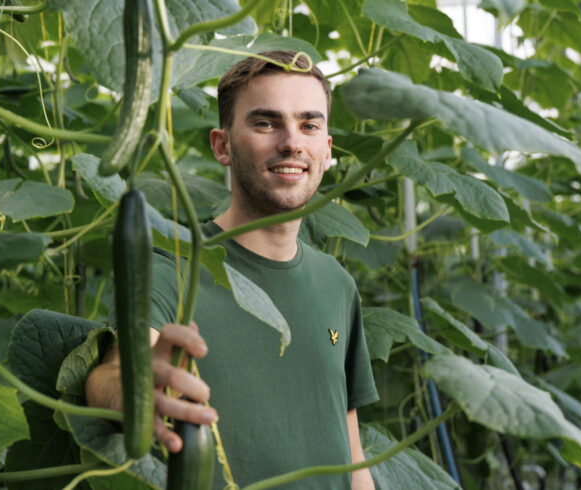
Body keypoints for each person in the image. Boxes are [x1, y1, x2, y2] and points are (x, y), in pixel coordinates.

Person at [86, 50, 378, 489]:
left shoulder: (337, 284)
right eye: (266, 123)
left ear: (327, 149)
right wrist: (135, 390)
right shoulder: (171, 267)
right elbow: (115, 374)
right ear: (222, 146)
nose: (292, 142)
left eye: (309, 124)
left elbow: (352, 455)